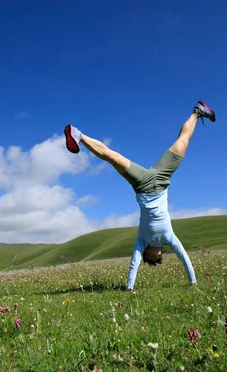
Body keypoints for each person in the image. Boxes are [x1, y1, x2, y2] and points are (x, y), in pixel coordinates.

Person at [64, 100, 217, 290]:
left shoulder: (142, 240)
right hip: (161, 180)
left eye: (156, 258)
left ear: (147, 254)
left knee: (113, 157)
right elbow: (184, 256)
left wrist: (129, 287)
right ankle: (197, 112)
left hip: (143, 183)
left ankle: (78, 134)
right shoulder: (168, 237)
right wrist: (193, 281)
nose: (161, 255)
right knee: (182, 142)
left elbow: (134, 264)